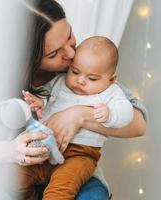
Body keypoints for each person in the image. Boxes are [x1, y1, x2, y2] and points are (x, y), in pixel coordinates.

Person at [8, 0, 147, 199]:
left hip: (76, 159)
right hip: (35, 161)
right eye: (54, 53)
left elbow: (139, 124)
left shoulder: (86, 69)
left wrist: (79, 115)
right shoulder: (58, 79)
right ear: (30, 57)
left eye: (69, 36)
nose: (71, 53)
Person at [18, 36, 133, 200]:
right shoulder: (60, 82)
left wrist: (111, 114)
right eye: (75, 71)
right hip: (45, 149)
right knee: (14, 179)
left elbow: (127, 113)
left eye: (91, 78)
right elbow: (45, 95)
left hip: (79, 155)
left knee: (60, 191)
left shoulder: (111, 93)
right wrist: (39, 102)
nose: (80, 81)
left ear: (112, 79)